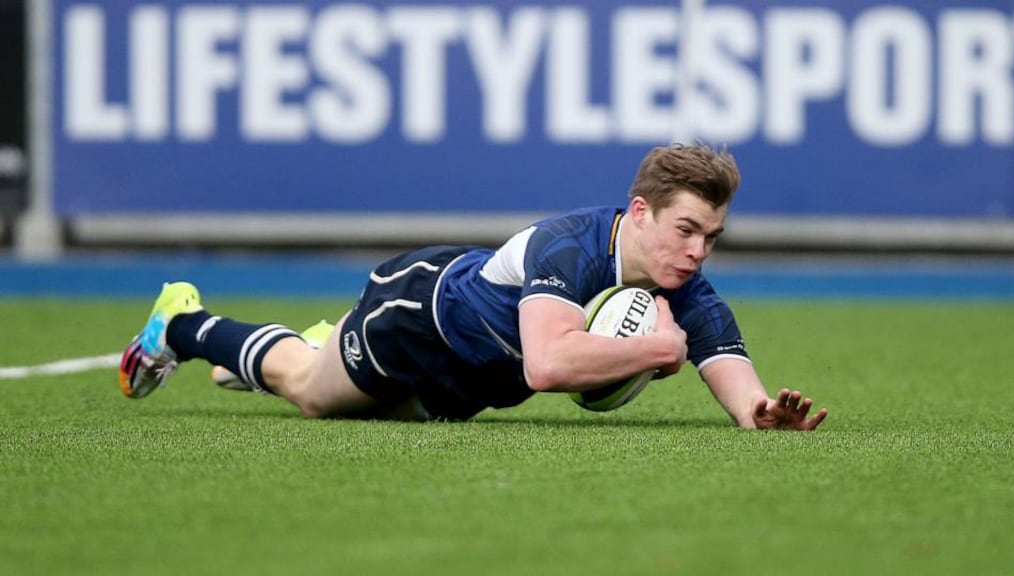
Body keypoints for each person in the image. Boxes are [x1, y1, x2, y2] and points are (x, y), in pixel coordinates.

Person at [119, 143, 827, 430]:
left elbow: (742, 391)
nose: (699, 252)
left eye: (712, 237)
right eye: (687, 230)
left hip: (479, 381)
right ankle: (178, 323)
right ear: (640, 213)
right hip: (420, 316)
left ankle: (323, 339)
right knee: (310, 393)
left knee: (328, 386)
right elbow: (550, 365)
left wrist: (764, 416)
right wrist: (656, 353)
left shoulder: (690, 292)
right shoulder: (572, 246)